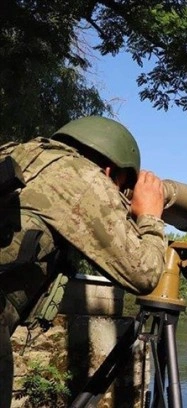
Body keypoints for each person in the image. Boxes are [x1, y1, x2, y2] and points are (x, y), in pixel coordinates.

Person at [0, 116, 167, 408]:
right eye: (120, 187)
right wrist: (151, 216)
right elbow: (144, 273)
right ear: (109, 169)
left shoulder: (16, 152)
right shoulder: (87, 178)